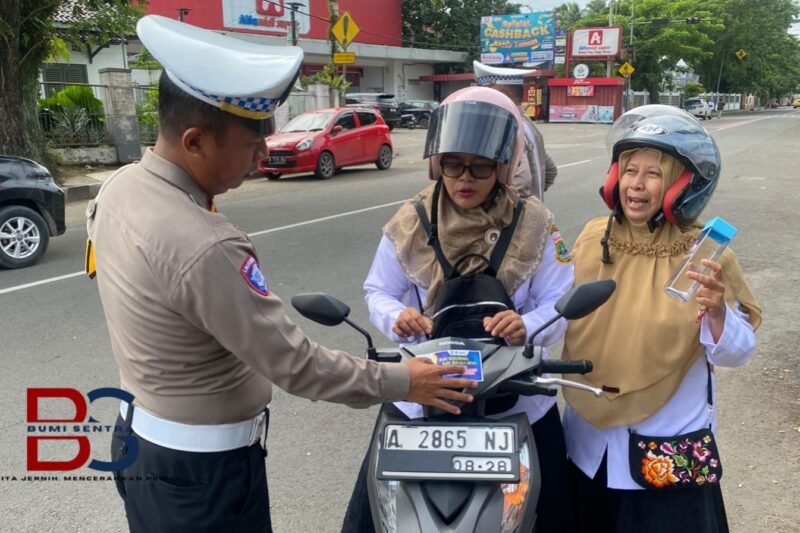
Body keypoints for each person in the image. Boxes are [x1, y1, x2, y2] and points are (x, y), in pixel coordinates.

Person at [85, 15, 475, 533]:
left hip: (143, 446)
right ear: (196, 141)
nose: (262, 156)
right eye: (250, 143)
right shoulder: (206, 243)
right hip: (203, 479)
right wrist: (406, 381)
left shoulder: (120, 188)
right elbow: (296, 365)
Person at [341, 87, 576, 532]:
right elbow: (378, 291)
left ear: (504, 167)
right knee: (377, 516)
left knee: (550, 516)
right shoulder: (410, 221)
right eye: (453, 164)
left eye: (481, 166)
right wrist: (397, 317)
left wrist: (525, 325)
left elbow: (560, 302)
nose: (465, 178)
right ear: (436, 163)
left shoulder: (535, 223)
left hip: (516, 400)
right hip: (422, 396)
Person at [560, 105, 762, 533]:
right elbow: (557, 311)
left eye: (654, 173)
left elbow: (737, 353)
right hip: (588, 445)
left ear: (681, 184)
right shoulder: (595, 236)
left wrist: (718, 311)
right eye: (630, 169)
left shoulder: (706, 253)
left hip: (668, 452)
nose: (637, 183)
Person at [472, 61, 559, 199]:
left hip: (511, 219)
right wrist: (535, 198)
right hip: (534, 215)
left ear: (501, 93)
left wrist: (502, 210)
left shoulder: (505, 127)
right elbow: (550, 171)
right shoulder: (529, 124)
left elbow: (521, 183)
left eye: (486, 93)